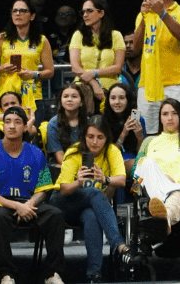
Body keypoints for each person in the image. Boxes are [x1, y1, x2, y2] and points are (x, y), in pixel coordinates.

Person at [0, 105, 67, 284]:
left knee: (55, 215)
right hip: (1, 205)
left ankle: (52, 274)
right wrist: (17, 206)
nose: (11, 126)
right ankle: (6, 274)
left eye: (17, 122)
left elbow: (43, 189)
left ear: (26, 127)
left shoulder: (36, 153)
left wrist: (28, 204)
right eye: (7, 122)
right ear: (2, 126)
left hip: (29, 204)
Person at [51, 117, 128, 282]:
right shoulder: (74, 152)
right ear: (84, 137)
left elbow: (121, 180)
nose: (94, 142)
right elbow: (64, 189)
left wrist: (105, 179)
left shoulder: (112, 151)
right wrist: (78, 182)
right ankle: (119, 245)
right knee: (92, 191)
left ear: (106, 138)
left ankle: (94, 273)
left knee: (91, 216)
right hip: (62, 203)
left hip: (90, 204)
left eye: (100, 137)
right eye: (90, 136)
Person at [133, 99, 180, 240]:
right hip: (154, 190)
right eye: (165, 114)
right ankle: (162, 214)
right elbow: (136, 172)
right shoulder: (148, 142)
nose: (170, 118)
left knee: (175, 194)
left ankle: (163, 223)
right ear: (160, 118)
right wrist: (161, 178)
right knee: (147, 162)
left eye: (174, 113)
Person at [134, 0, 180, 133]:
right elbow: (136, 46)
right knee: (148, 135)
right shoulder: (144, 14)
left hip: (176, 84)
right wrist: (144, 17)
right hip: (148, 85)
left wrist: (161, 13)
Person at [0, 0, 54, 120]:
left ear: (32, 16)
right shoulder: (2, 38)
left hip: (33, 96)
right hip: (6, 95)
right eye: (14, 11)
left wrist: (34, 74)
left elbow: (49, 71)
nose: (18, 14)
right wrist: (2, 69)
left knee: (31, 134)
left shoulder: (41, 40)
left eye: (22, 10)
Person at [70, 0, 123, 105]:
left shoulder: (116, 36)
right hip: (83, 90)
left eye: (89, 11)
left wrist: (94, 73)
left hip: (110, 91)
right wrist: (94, 84)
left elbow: (118, 67)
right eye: (83, 12)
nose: (85, 15)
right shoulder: (78, 35)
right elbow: (75, 67)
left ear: (101, 13)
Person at [46, 83, 94, 165]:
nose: (69, 99)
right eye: (65, 96)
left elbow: (92, 151)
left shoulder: (89, 122)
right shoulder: (53, 124)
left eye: (74, 96)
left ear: (81, 102)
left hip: (85, 164)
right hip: (63, 165)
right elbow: (60, 157)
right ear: (61, 102)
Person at [100, 82, 144, 169]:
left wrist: (139, 137)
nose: (117, 102)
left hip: (134, 160)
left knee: (143, 163)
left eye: (121, 98)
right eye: (113, 98)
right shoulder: (103, 121)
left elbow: (141, 154)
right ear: (108, 100)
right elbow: (108, 155)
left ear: (128, 99)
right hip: (111, 161)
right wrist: (123, 133)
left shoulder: (139, 120)